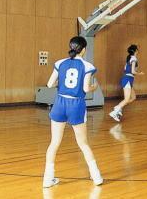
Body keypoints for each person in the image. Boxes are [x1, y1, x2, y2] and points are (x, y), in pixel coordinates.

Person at [43, 36, 103, 188]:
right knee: (83, 143)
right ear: (83, 49)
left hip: (59, 103)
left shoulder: (59, 63)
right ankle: (96, 177)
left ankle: (47, 179)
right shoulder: (87, 66)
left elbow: (49, 84)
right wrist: (94, 88)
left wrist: (60, 83)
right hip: (76, 104)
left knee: (54, 143)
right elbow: (85, 89)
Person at [109, 45, 144, 122]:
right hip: (127, 79)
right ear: (135, 51)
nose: (138, 50)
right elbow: (133, 71)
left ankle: (118, 108)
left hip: (129, 79)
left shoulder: (130, 58)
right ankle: (115, 110)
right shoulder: (134, 58)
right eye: (137, 49)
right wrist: (140, 73)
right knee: (127, 98)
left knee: (133, 97)